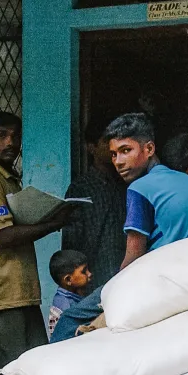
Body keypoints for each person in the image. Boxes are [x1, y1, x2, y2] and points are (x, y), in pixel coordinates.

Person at [0, 111, 68, 375]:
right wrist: (52, 224)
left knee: (30, 371)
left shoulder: (6, 177)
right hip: (3, 293)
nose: (10, 143)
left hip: (20, 292)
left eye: (15, 137)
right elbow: (5, 236)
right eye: (1, 136)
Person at [107, 113, 188, 270]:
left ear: (149, 148)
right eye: (113, 154)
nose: (118, 162)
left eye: (125, 150)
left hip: (170, 280)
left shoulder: (139, 188)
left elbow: (132, 259)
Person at [61, 119, 127, 288]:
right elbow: (72, 241)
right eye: (106, 141)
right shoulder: (81, 188)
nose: (113, 147)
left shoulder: (125, 182)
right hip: (94, 279)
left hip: (126, 274)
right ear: (91, 148)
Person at [47, 249, 93, 337]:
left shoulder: (75, 294)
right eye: (84, 271)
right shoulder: (65, 307)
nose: (89, 274)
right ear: (68, 279)